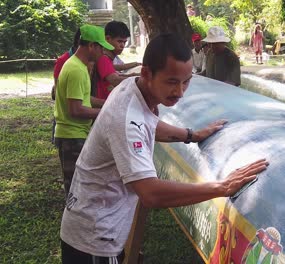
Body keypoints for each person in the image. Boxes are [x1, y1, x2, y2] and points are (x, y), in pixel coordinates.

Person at [60, 33, 269, 263]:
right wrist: (222, 187)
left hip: (91, 225)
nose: (180, 91)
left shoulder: (132, 87)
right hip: (94, 239)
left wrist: (191, 135)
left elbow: (149, 125)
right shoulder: (126, 119)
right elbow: (151, 193)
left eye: (186, 81)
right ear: (147, 73)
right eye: (171, 81)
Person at [54, 24, 113, 196]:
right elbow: (76, 110)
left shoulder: (77, 66)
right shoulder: (76, 70)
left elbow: (84, 100)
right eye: (101, 47)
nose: (103, 52)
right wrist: (106, 113)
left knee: (81, 186)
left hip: (76, 134)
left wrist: (108, 103)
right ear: (91, 46)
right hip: (72, 137)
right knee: (76, 190)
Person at [95, 21, 140, 100]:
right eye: (119, 41)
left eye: (124, 42)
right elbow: (115, 80)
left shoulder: (108, 59)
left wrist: (135, 75)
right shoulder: (103, 58)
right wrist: (141, 79)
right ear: (107, 39)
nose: (122, 45)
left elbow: (116, 74)